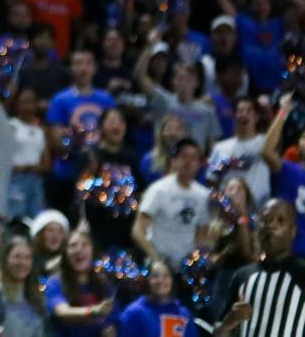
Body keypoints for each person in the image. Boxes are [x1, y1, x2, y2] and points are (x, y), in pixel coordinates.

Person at [213, 199, 305, 337]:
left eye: (280, 221)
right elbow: (218, 333)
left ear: (293, 232)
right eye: (266, 220)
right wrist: (229, 322)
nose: (271, 226)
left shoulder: (302, 273)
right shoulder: (243, 276)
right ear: (258, 230)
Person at [133, 138, 209, 274]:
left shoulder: (203, 195)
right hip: (160, 266)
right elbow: (138, 230)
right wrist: (156, 259)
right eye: (183, 156)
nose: (188, 162)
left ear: (199, 164)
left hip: (187, 268)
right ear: (174, 161)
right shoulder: (159, 189)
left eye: (193, 158)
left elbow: (202, 234)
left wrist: (198, 259)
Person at [117, 259, 192, 337]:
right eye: (155, 276)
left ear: (172, 281)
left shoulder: (182, 314)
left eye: (166, 276)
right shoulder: (134, 313)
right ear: (148, 280)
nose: (160, 281)